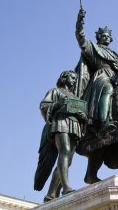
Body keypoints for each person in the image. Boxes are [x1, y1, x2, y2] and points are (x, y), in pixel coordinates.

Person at [75, 9, 118, 136]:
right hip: (102, 77)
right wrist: (80, 21)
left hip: (117, 77)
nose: (106, 38)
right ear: (98, 37)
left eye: (108, 36)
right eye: (104, 36)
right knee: (107, 89)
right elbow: (81, 38)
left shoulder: (115, 54)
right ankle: (104, 122)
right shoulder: (93, 48)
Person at [40, 70, 87, 201]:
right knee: (64, 152)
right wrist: (59, 104)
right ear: (64, 78)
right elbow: (44, 105)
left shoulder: (75, 97)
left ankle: (51, 194)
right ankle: (66, 187)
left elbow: (83, 112)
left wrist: (83, 116)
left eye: (75, 78)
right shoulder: (55, 91)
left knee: (68, 160)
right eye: (71, 78)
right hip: (61, 122)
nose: (74, 80)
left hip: (74, 125)